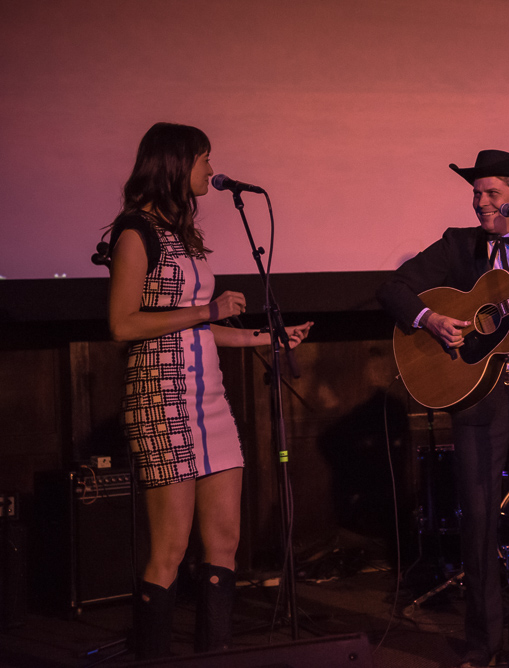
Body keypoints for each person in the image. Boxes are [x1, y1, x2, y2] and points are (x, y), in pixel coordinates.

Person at [106, 122, 313, 659]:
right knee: (170, 549)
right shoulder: (136, 232)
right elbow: (124, 324)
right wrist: (208, 308)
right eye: (203, 159)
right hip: (162, 397)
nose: (209, 168)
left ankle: (213, 656)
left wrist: (263, 336)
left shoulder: (181, 234)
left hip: (209, 399)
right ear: (176, 164)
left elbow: (196, 326)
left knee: (224, 544)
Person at [377, 150, 509, 668]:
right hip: (475, 402)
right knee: (479, 525)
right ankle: (481, 645)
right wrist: (429, 319)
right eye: (476, 193)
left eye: (491, 193)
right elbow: (393, 288)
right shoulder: (458, 245)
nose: (480, 203)